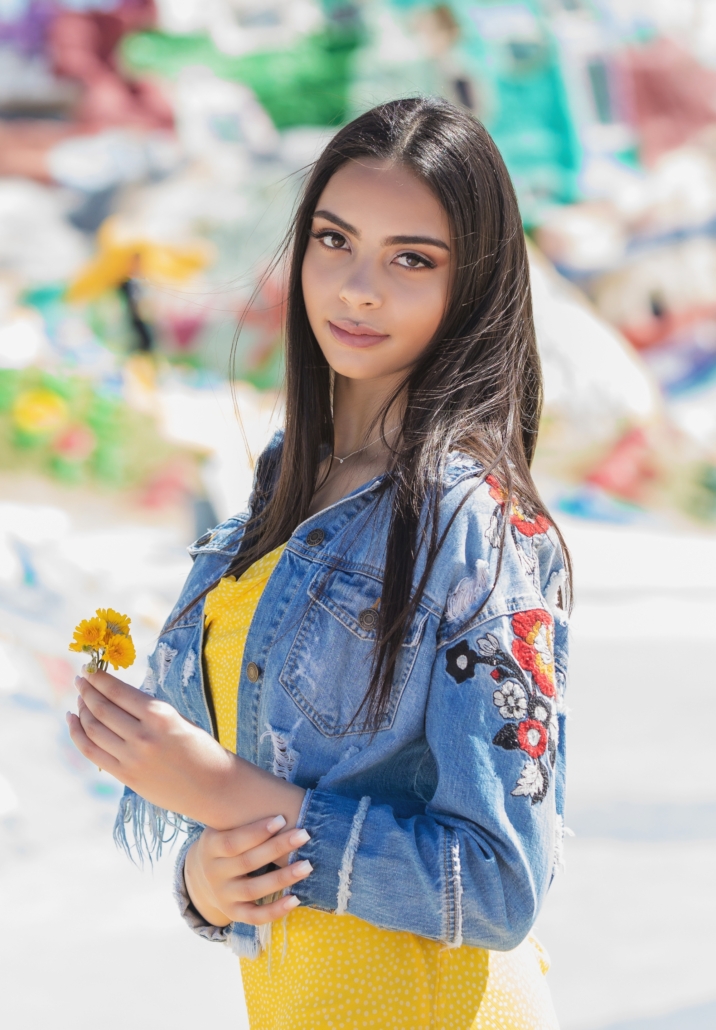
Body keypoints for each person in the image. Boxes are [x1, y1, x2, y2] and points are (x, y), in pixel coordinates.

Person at [67, 97, 570, 1029]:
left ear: (478, 284)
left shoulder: (473, 520)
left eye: (411, 259)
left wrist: (225, 793)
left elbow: (503, 885)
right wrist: (208, 882)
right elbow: (264, 808)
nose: (358, 288)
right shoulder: (283, 490)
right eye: (335, 241)